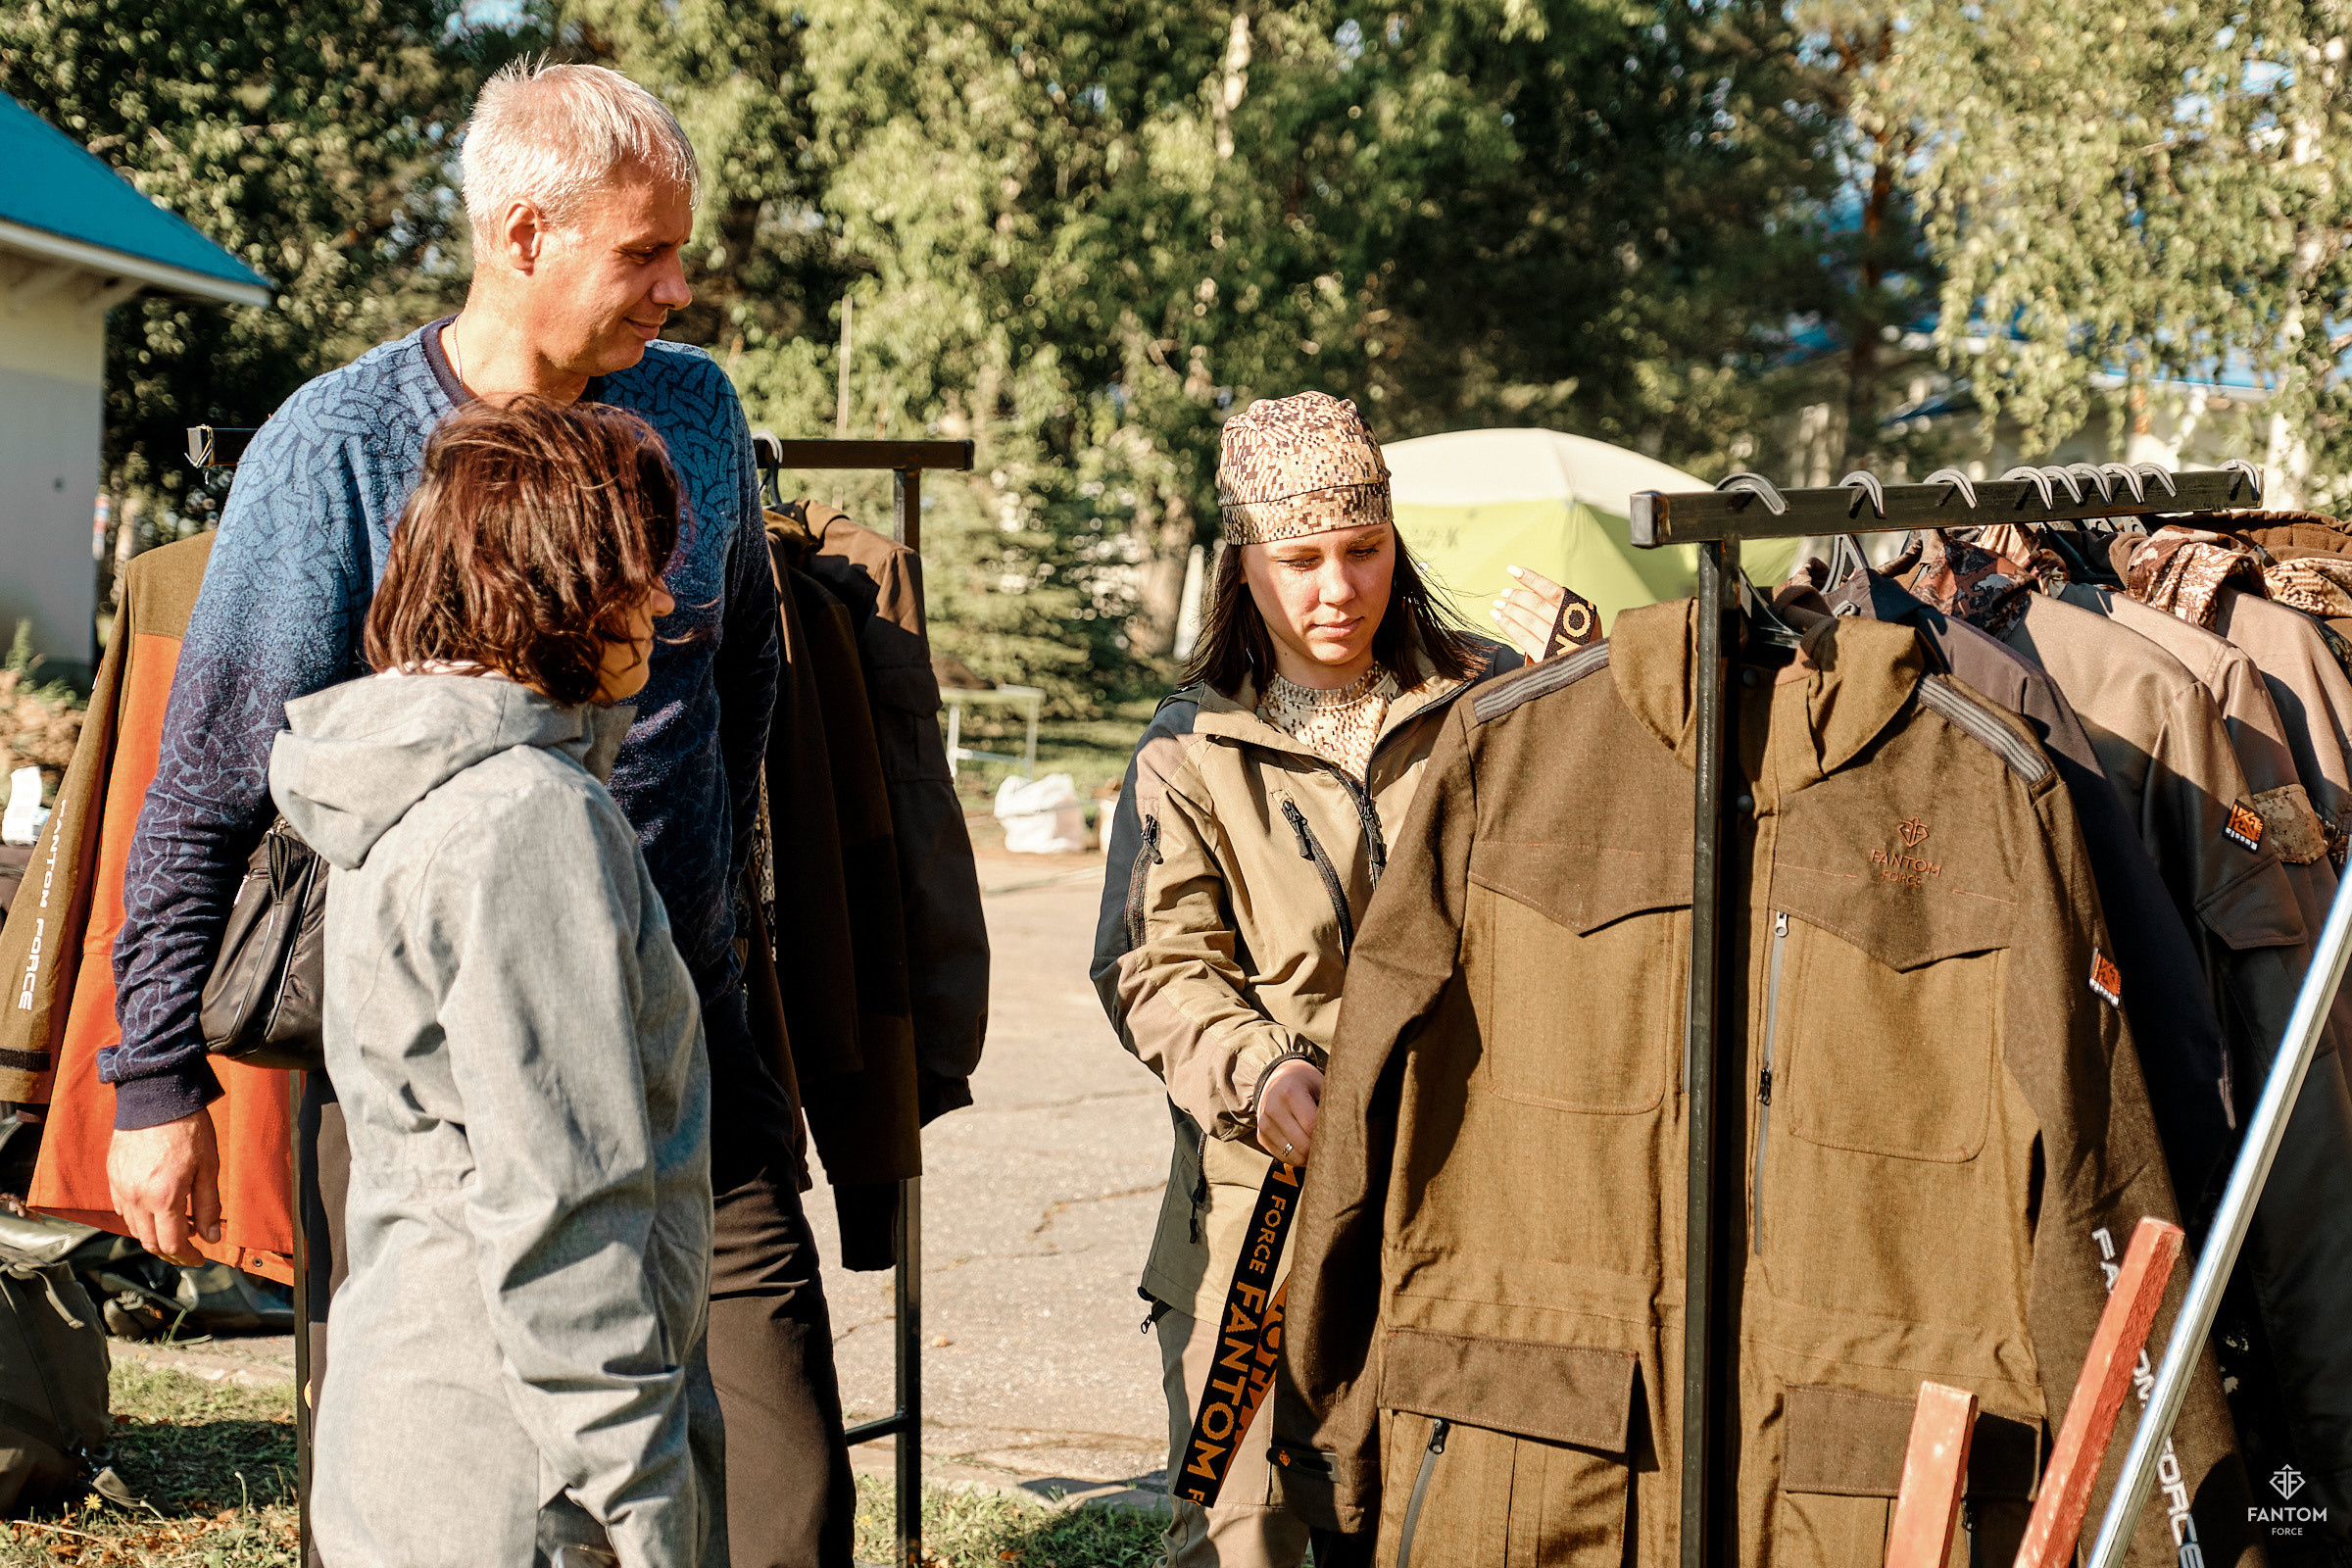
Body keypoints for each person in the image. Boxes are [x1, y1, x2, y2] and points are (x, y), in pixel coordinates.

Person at [102, 61, 855, 1564]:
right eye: (643, 253)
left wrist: (724, 923)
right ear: (524, 235)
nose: (676, 289)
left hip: (680, 1027)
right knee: (427, 1461)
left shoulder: (692, 414)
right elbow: (206, 783)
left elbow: (741, 695)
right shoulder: (339, 448)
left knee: (779, 1487)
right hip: (432, 1078)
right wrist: (153, 1082)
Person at [278, 398, 717, 1568]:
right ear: (558, 582)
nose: (663, 601)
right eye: (636, 570)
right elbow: (559, 1205)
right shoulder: (524, 819)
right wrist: (641, 1500)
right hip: (526, 1470)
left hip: (411, 1425)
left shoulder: (411, 777)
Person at [1091, 392, 1519, 1567]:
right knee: (1245, 1527)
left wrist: (1583, 670)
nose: (1340, 588)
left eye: (1364, 551)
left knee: (1449, 1509)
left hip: (1465, 1182)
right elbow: (1151, 965)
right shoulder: (1188, 748)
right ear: (1245, 564)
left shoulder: (1491, 705)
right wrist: (1257, 1068)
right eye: (1302, 559)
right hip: (1260, 1201)